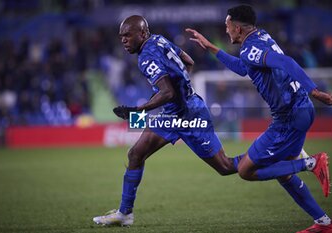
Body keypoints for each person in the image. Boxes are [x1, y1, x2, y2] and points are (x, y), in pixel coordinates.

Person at [186, 5, 332, 233]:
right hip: (301, 111)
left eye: (227, 27)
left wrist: (314, 91)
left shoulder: (250, 49)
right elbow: (243, 69)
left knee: (246, 170)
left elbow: (287, 63)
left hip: (288, 119)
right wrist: (211, 48)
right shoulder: (261, 37)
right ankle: (324, 223)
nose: (226, 32)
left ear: (237, 28)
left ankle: (312, 163)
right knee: (283, 172)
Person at [92, 15, 238, 227]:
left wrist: (138, 109)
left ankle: (286, 160)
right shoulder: (159, 40)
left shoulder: (145, 57)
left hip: (189, 115)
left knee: (225, 167)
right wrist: (181, 87)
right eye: (121, 36)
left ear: (142, 34)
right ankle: (125, 213)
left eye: (128, 35)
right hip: (173, 113)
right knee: (135, 154)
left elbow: (167, 92)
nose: (123, 40)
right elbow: (188, 62)